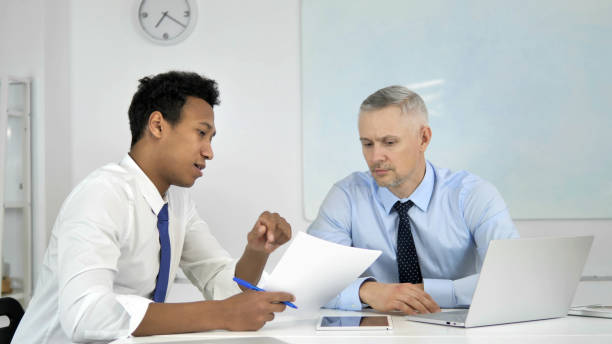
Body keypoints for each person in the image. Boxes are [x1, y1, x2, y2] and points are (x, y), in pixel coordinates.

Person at [13, 71, 295, 343]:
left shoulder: (177, 203)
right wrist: (221, 314)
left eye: (211, 139)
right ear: (157, 125)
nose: (209, 151)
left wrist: (257, 252)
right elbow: (86, 315)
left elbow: (224, 288)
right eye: (201, 133)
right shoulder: (102, 195)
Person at [307, 85, 519, 314]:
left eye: (389, 142)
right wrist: (369, 291)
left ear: (423, 138)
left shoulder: (473, 195)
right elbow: (311, 278)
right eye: (367, 144)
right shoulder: (346, 196)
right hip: (373, 333)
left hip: (457, 331)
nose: (376, 157)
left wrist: (428, 292)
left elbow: (513, 276)